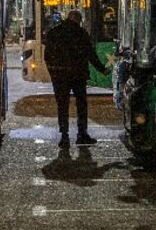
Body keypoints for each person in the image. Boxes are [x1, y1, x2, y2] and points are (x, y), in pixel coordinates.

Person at [43, 10, 108, 148]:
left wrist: (53, 72)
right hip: (78, 75)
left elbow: (47, 55)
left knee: (62, 106)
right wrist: (102, 69)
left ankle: (64, 136)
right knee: (81, 105)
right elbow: (90, 54)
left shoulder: (54, 32)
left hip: (60, 76)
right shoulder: (81, 33)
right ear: (78, 20)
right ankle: (81, 134)